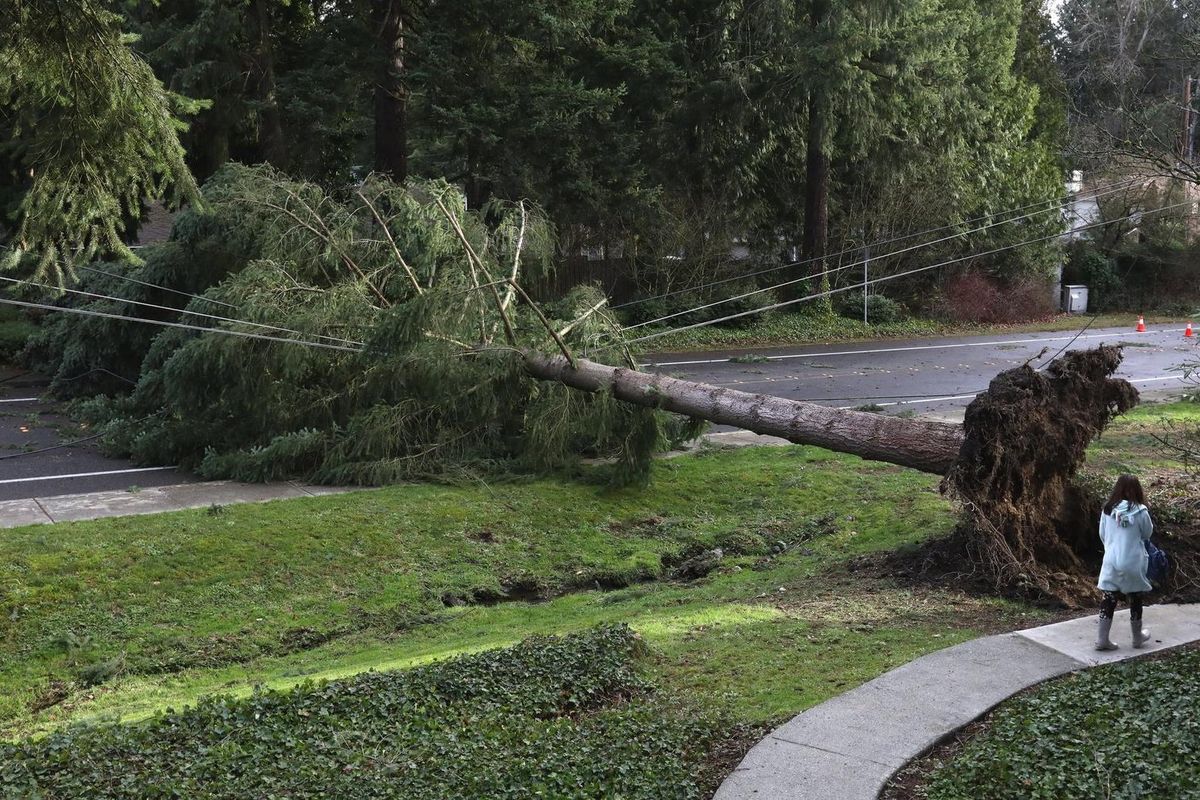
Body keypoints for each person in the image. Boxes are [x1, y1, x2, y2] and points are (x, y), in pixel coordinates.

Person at [1095, 474, 1154, 651]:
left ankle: (1102, 640)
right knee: (1135, 598)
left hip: (1111, 559)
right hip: (1133, 561)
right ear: (1138, 490)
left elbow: (1102, 535)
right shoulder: (1141, 511)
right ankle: (1137, 638)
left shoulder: (1107, 510)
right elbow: (1147, 534)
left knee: (1109, 598)